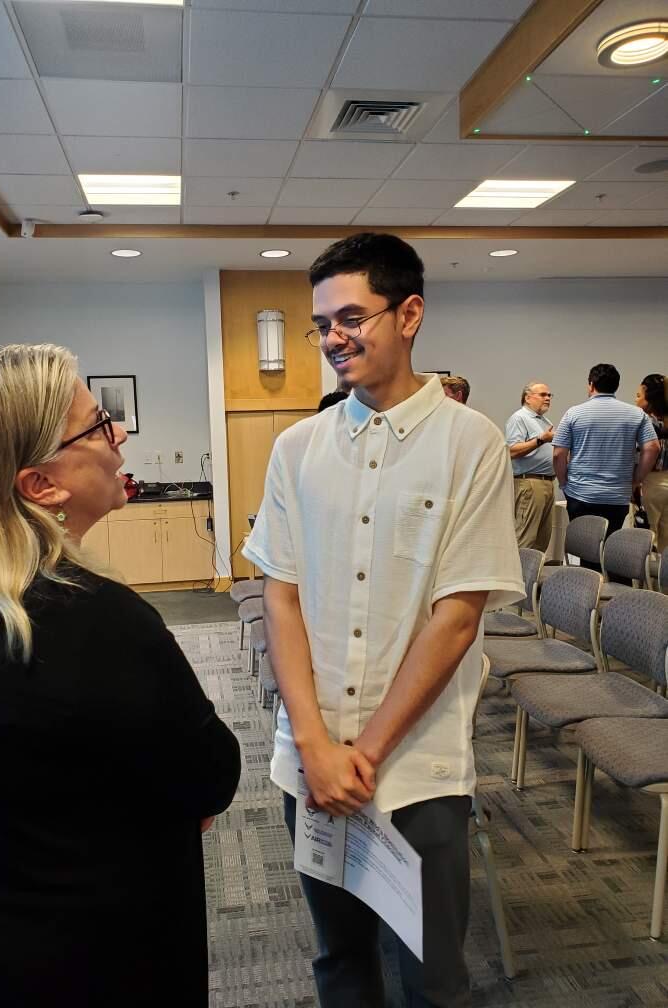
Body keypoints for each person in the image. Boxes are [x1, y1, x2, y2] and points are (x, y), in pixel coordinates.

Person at [0, 344, 241, 1008]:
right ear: (41, 486)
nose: (119, 435)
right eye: (97, 425)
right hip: (91, 959)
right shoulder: (99, 621)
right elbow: (211, 776)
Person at [244, 233, 523, 1008]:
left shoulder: (473, 443)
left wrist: (360, 753)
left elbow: (458, 617)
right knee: (340, 962)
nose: (333, 337)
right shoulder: (298, 447)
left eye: (351, 317)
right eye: (321, 322)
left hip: (417, 767)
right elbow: (283, 597)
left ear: (410, 314)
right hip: (310, 758)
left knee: (432, 977)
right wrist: (313, 746)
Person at [553, 364, 659, 559]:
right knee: (611, 549)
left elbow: (558, 454)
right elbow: (652, 448)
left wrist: (563, 482)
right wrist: (636, 479)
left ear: (591, 385)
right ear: (616, 386)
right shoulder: (636, 415)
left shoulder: (574, 413)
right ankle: (610, 586)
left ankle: (589, 586)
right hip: (616, 495)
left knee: (585, 551)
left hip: (580, 493)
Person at [505, 382, 556, 551]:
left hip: (547, 482)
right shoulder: (519, 418)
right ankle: (518, 577)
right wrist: (541, 439)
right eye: (543, 395)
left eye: (549, 395)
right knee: (525, 540)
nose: (548, 398)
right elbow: (512, 451)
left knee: (542, 540)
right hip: (530, 483)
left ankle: (533, 577)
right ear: (527, 398)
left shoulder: (544, 421)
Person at [636, 372, 668, 551]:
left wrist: (635, 480)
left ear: (649, 395)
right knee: (666, 541)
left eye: (638, 395)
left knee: (646, 540)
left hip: (650, 483)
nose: (636, 400)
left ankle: (646, 580)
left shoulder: (645, 422)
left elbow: (641, 453)